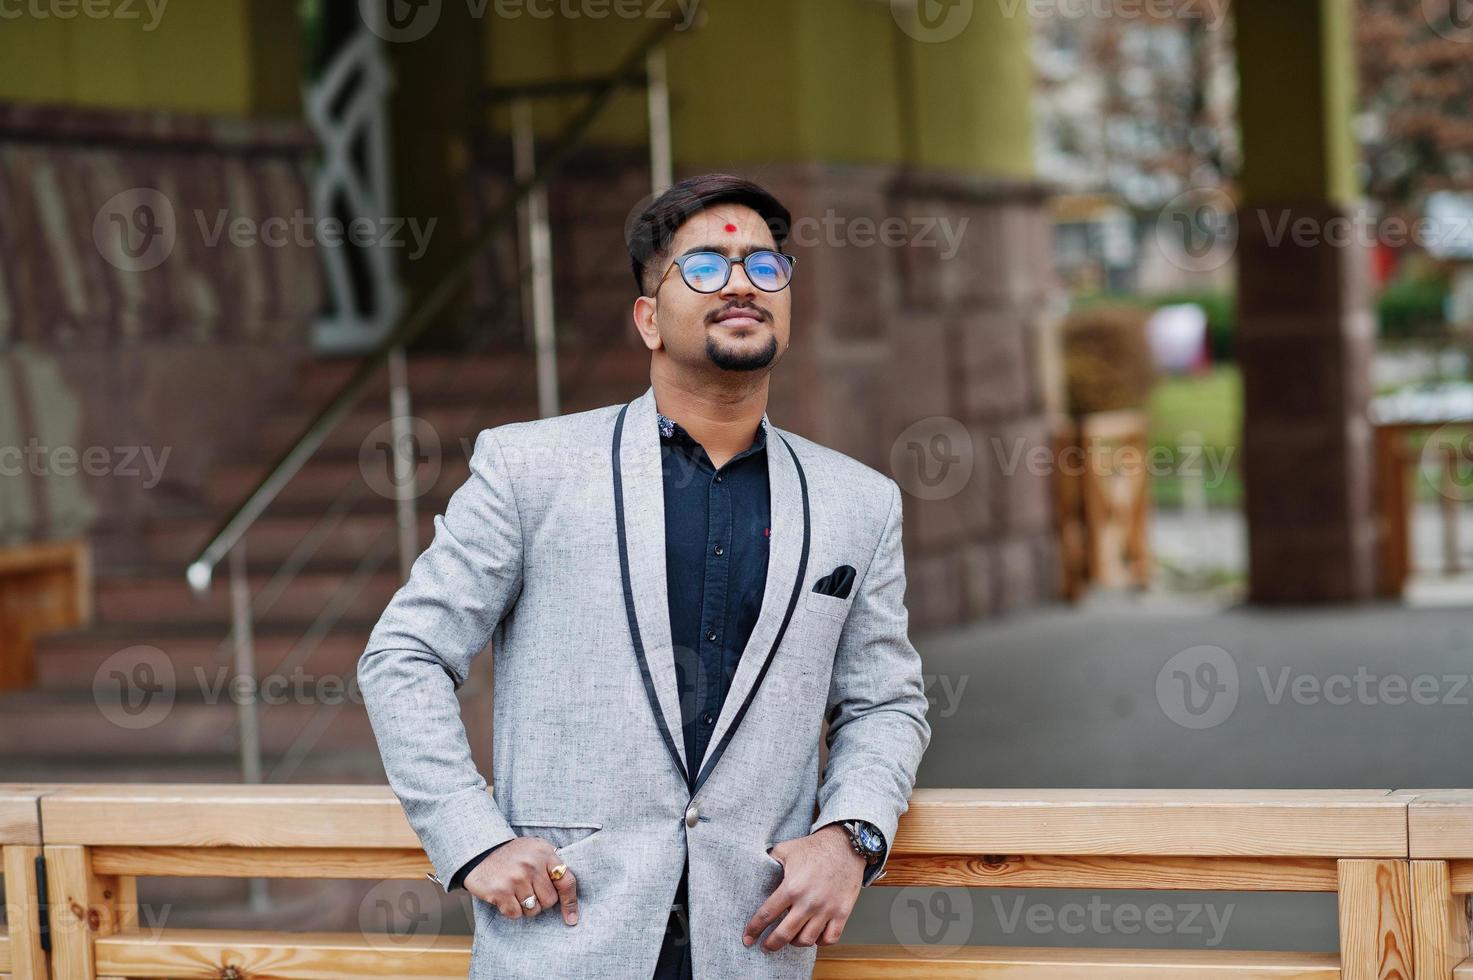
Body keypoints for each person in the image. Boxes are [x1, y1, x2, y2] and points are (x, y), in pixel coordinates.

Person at [358, 173, 932, 979]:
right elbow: (405, 655)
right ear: (647, 319)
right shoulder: (531, 468)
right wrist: (470, 835)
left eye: (765, 267)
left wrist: (851, 837)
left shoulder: (859, 502)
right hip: (564, 936)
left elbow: (884, 701)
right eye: (703, 266)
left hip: (754, 943)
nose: (740, 282)